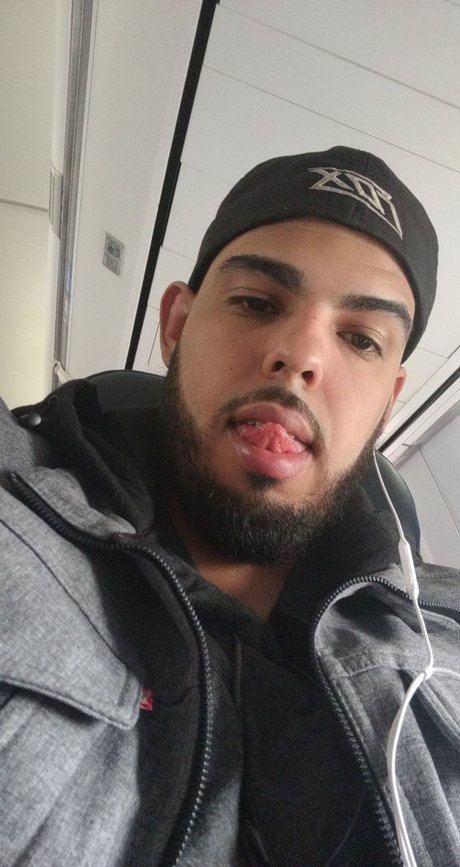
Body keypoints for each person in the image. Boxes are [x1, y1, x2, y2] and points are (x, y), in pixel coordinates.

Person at [1, 145, 459, 867]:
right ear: (176, 323)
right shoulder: (17, 509)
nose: (300, 355)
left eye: (360, 338)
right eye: (256, 302)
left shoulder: (444, 642)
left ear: (388, 405)